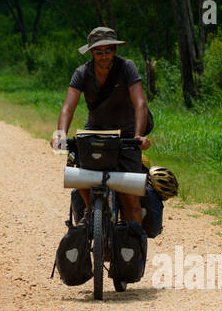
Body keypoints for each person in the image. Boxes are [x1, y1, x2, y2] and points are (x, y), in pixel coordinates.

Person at [51, 26, 153, 225]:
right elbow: (68, 107)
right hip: (95, 132)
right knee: (78, 168)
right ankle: (91, 211)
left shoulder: (127, 67)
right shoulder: (82, 72)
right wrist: (60, 134)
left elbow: (140, 102)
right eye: (99, 51)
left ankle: (134, 244)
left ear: (115, 51)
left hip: (127, 134)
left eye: (109, 51)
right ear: (91, 52)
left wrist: (139, 136)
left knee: (131, 200)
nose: (104, 55)